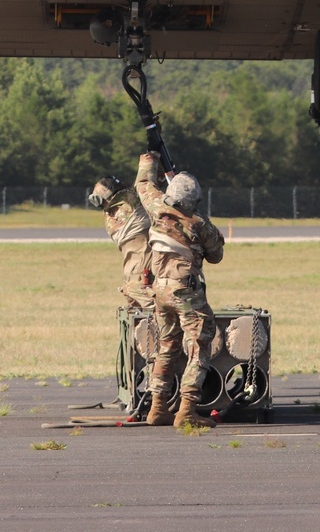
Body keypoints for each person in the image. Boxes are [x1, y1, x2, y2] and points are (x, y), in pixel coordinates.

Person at [135, 149, 225, 429]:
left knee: (167, 347)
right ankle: (186, 410)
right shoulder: (199, 224)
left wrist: (149, 160)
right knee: (199, 347)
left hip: (160, 290)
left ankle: (158, 408)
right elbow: (216, 255)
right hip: (186, 292)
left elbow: (143, 185)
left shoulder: (157, 207)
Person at [87, 174, 154, 312]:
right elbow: (146, 179)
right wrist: (151, 156)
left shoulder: (110, 217)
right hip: (146, 276)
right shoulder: (130, 203)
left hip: (131, 278)